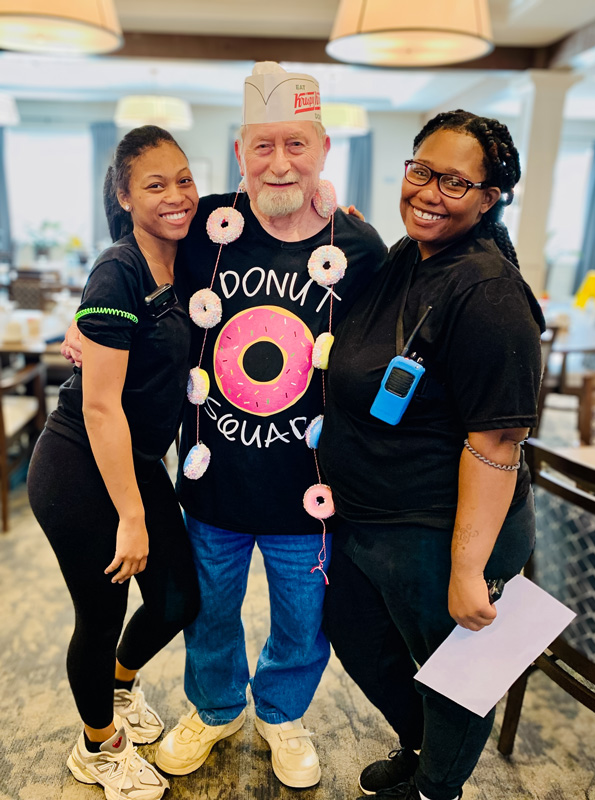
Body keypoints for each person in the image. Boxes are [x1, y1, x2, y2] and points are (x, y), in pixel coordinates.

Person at [150, 62, 388, 789]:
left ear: (323, 149)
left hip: (307, 489)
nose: (279, 163)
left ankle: (282, 715)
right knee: (209, 610)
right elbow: (139, 253)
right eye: (262, 146)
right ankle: (216, 708)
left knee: (301, 621)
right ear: (239, 152)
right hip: (212, 475)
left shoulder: (360, 248)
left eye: (296, 144)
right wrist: (91, 326)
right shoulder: (203, 229)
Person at [318, 110, 545, 800]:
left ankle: (434, 787)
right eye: (422, 170)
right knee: (356, 635)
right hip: (369, 517)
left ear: (488, 197)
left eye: (455, 182)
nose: (428, 192)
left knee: (459, 677)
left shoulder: (488, 292)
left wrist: (468, 568)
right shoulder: (404, 258)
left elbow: (497, 440)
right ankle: (418, 747)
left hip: (443, 528)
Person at [28, 125, 201, 800]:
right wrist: (132, 515)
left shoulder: (186, 256)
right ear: (125, 197)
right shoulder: (117, 268)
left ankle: (122, 685)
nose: (176, 195)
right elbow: (100, 408)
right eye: (155, 185)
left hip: (134, 457)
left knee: (178, 597)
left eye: (183, 179)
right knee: (100, 615)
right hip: (78, 464)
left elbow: (255, 208)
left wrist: (334, 212)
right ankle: (97, 746)